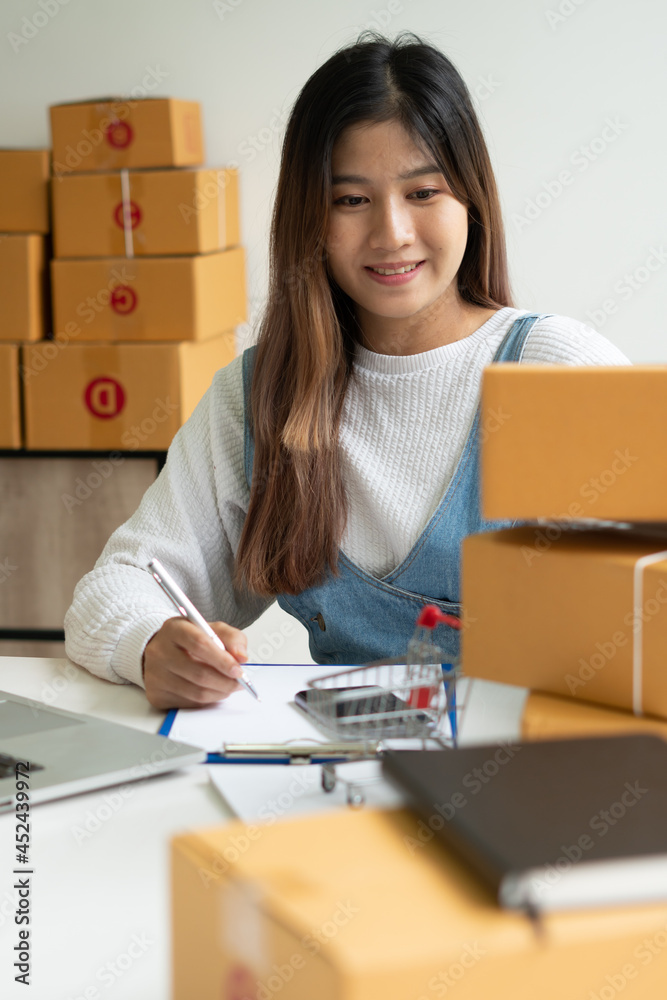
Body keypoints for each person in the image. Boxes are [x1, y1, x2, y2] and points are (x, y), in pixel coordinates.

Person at [64, 32, 630, 710]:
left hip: (530, 783)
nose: (391, 233)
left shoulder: (558, 371)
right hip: (336, 774)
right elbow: (114, 588)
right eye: (350, 200)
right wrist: (151, 645)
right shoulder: (255, 399)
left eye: (423, 191)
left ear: (470, 201)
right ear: (309, 217)